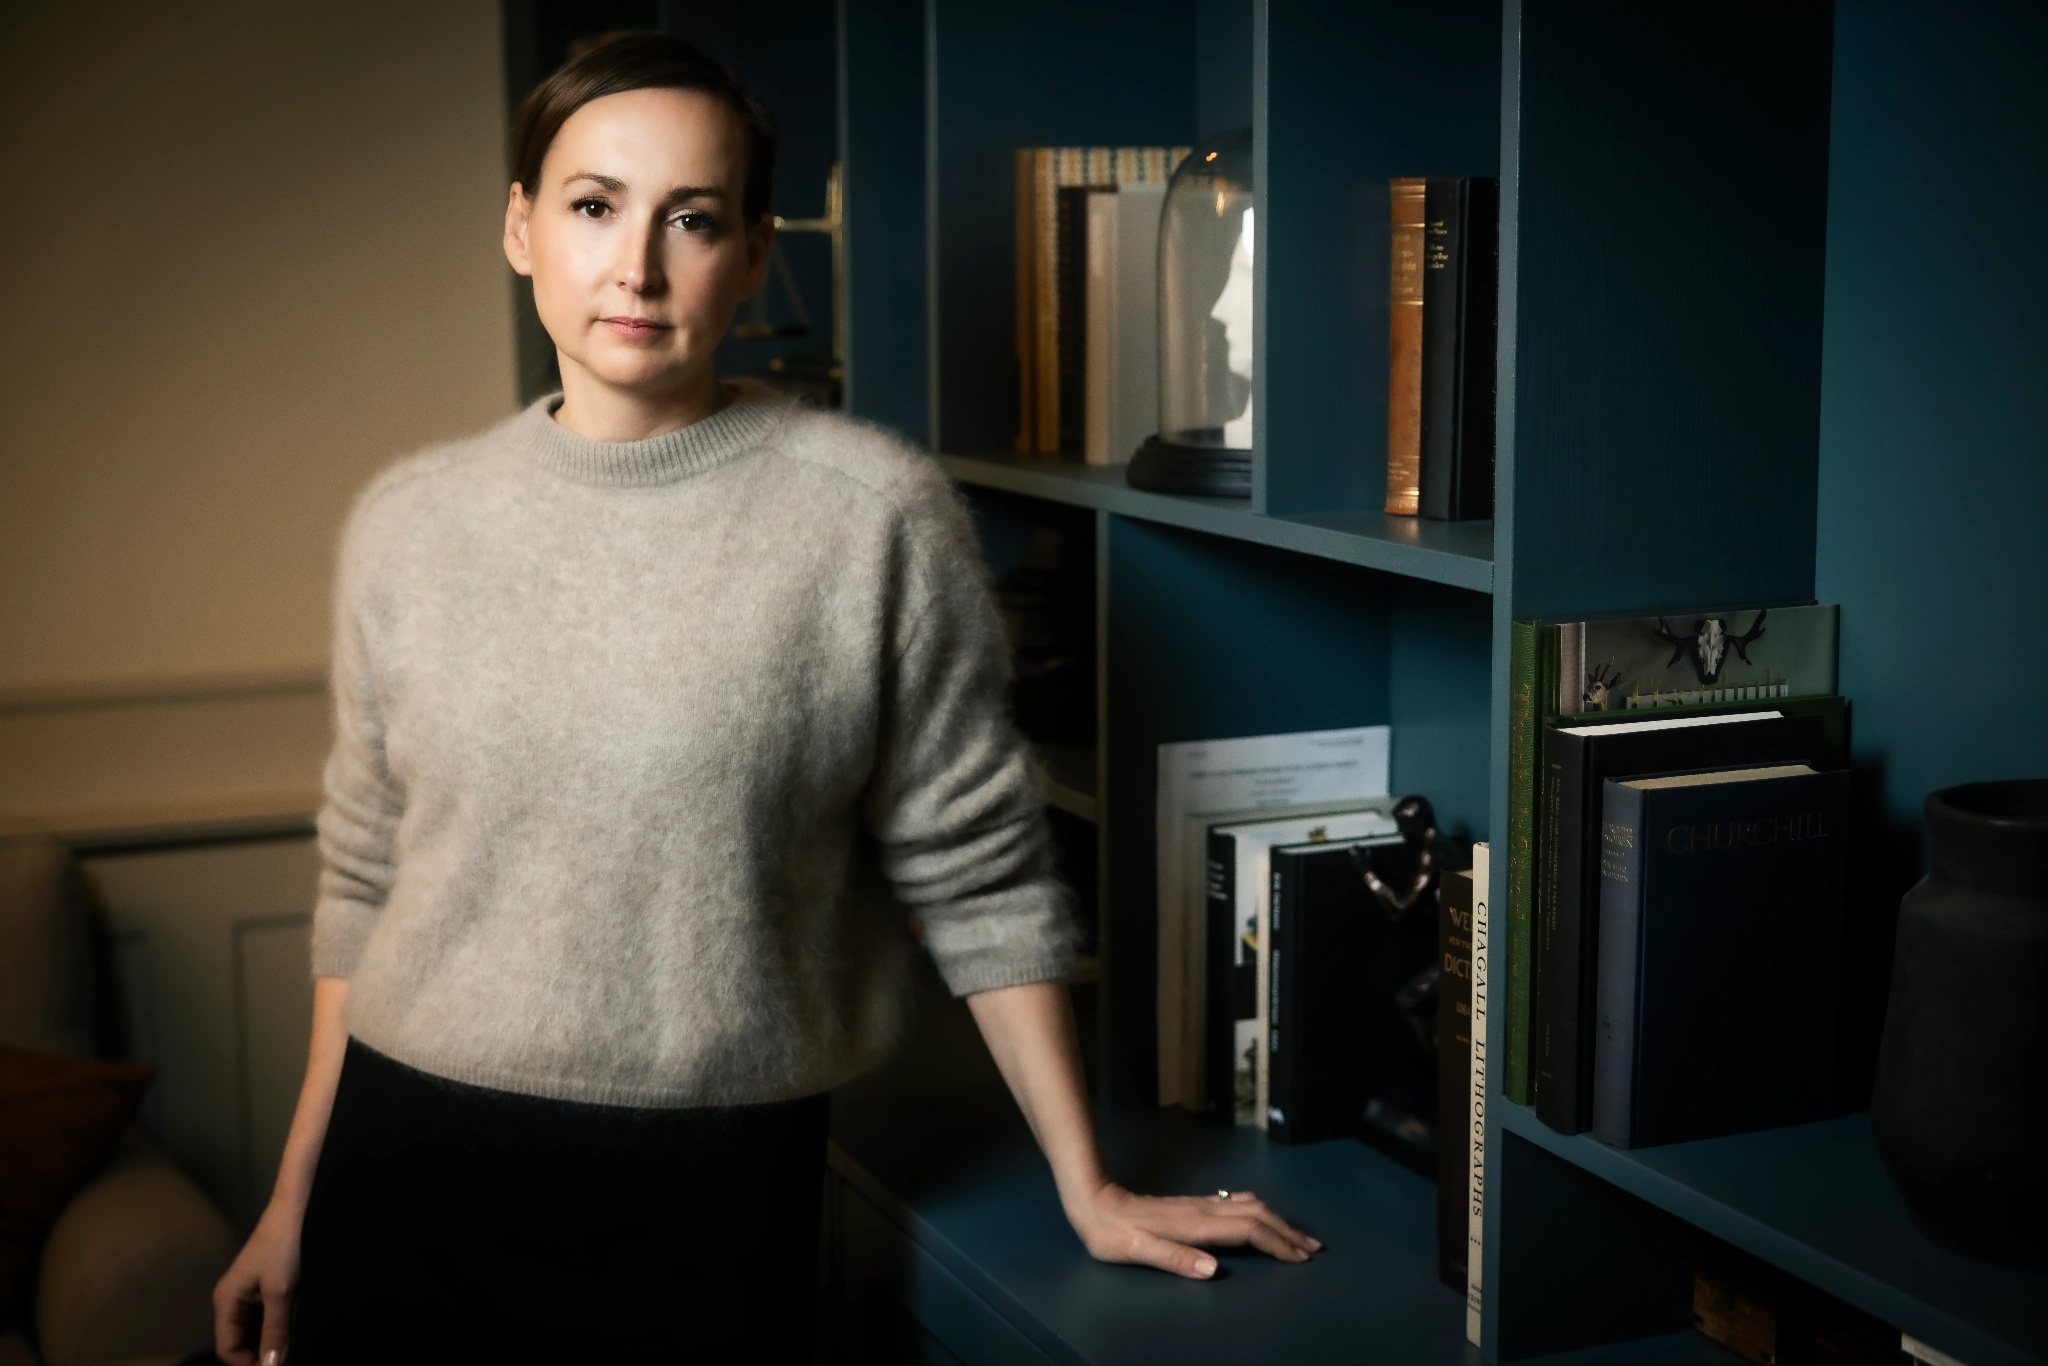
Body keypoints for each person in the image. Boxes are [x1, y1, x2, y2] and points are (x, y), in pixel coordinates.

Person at [211, 32, 1317, 1364]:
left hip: (706, 1191)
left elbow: (980, 876)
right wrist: (294, 1201)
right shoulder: (409, 522)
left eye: (692, 218)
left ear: (749, 251)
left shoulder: (868, 516)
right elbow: (366, 882)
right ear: (520, 228)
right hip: (408, 1161)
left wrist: (1090, 1186)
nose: (636, 265)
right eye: (592, 205)